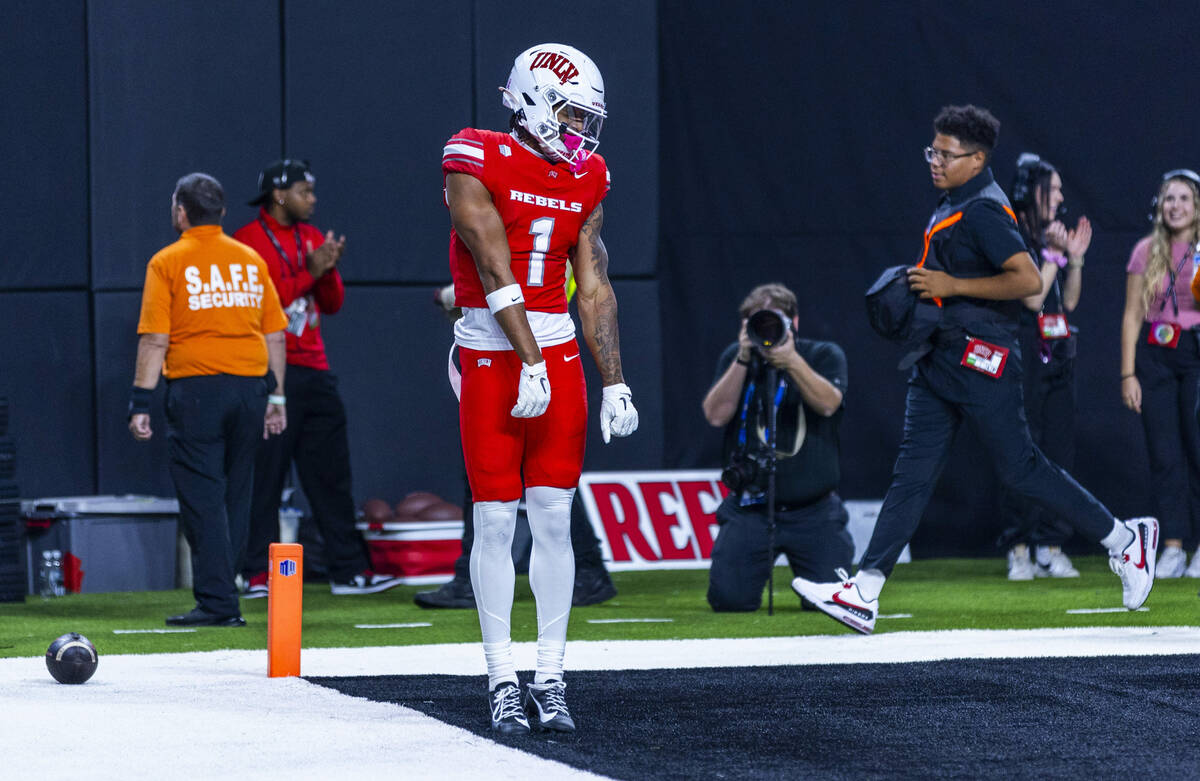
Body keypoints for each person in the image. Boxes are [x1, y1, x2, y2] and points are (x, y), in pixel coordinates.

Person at [792, 105, 1158, 635]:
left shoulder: (985, 209)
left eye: (946, 154)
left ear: (977, 158)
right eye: (932, 151)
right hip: (939, 356)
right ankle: (864, 591)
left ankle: (1126, 541)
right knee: (912, 472)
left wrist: (951, 287)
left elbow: (1029, 279)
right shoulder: (953, 201)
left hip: (982, 357)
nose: (935, 161)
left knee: (1022, 469)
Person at [441, 43, 638, 735]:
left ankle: (550, 676)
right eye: (572, 114)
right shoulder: (475, 154)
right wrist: (528, 358)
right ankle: (501, 677)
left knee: (555, 517)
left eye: (589, 119)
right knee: (496, 519)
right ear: (532, 99)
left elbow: (596, 280)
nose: (582, 132)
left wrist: (613, 379)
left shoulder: (589, 177)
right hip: (493, 349)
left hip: (551, 348)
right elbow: (494, 264)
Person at [232, 159, 401, 597]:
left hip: (315, 370)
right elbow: (264, 306)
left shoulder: (311, 236)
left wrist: (325, 270)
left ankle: (348, 571)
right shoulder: (246, 244)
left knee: (332, 479)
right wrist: (311, 270)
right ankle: (254, 573)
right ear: (279, 195)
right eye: (305, 191)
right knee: (264, 481)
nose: (313, 199)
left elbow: (333, 303)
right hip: (268, 374)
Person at [128, 172, 288, 627]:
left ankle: (219, 604)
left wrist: (140, 401)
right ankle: (224, 592)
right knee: (237, 494)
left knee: (202, 497)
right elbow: (275, 334)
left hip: (198, 391)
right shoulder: (250, 260)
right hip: (250, 388)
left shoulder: (167, 262)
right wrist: (277, 398)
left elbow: (154, 339)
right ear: (220, 212)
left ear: (180, 212)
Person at [414, 285, 618, 610]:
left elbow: (513, 276)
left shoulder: (540, 239)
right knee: (536, 475)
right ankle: (588, 569)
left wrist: (458, 294)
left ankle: (585, 570)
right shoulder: (564, 236)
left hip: (520, 346)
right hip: (526, 342)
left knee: (535, 476)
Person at [701, 283, 854, 611]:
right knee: (729, 600)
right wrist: (742, 358)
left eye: (775, 321)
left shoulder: (823, 355)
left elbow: (829, 404)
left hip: (814, 511)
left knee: (829, 603)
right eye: (758, 322)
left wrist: (792, 361)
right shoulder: (737, 358)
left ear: (794, 323)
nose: (766, 331)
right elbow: (716, 415)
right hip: (750, 509)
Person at [998, 154, 1091, 580]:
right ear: (1032, 191)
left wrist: (1075, 258)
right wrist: (1052, 255)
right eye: (1053, 189)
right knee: (1023, 446)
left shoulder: (1052, 235)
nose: (1060, 197)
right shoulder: (1011, 231)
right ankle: (1018, 546)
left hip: (1058, 352)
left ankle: (1051, 545)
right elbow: (1032, 299)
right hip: (1023, 352)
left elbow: (1067, 302)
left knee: (1060, 450)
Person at [1123, 169, 1200, 578]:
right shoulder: (1144, 250)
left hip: (1196, 352)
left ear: (1197, 205)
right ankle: (1172, 546)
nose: (1176, 206)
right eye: (1169, 198)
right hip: (1155, 355)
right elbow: (1132, 314)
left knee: (1198, 448)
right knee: (1165, 453)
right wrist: (1127, 373)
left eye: (1184, 198)